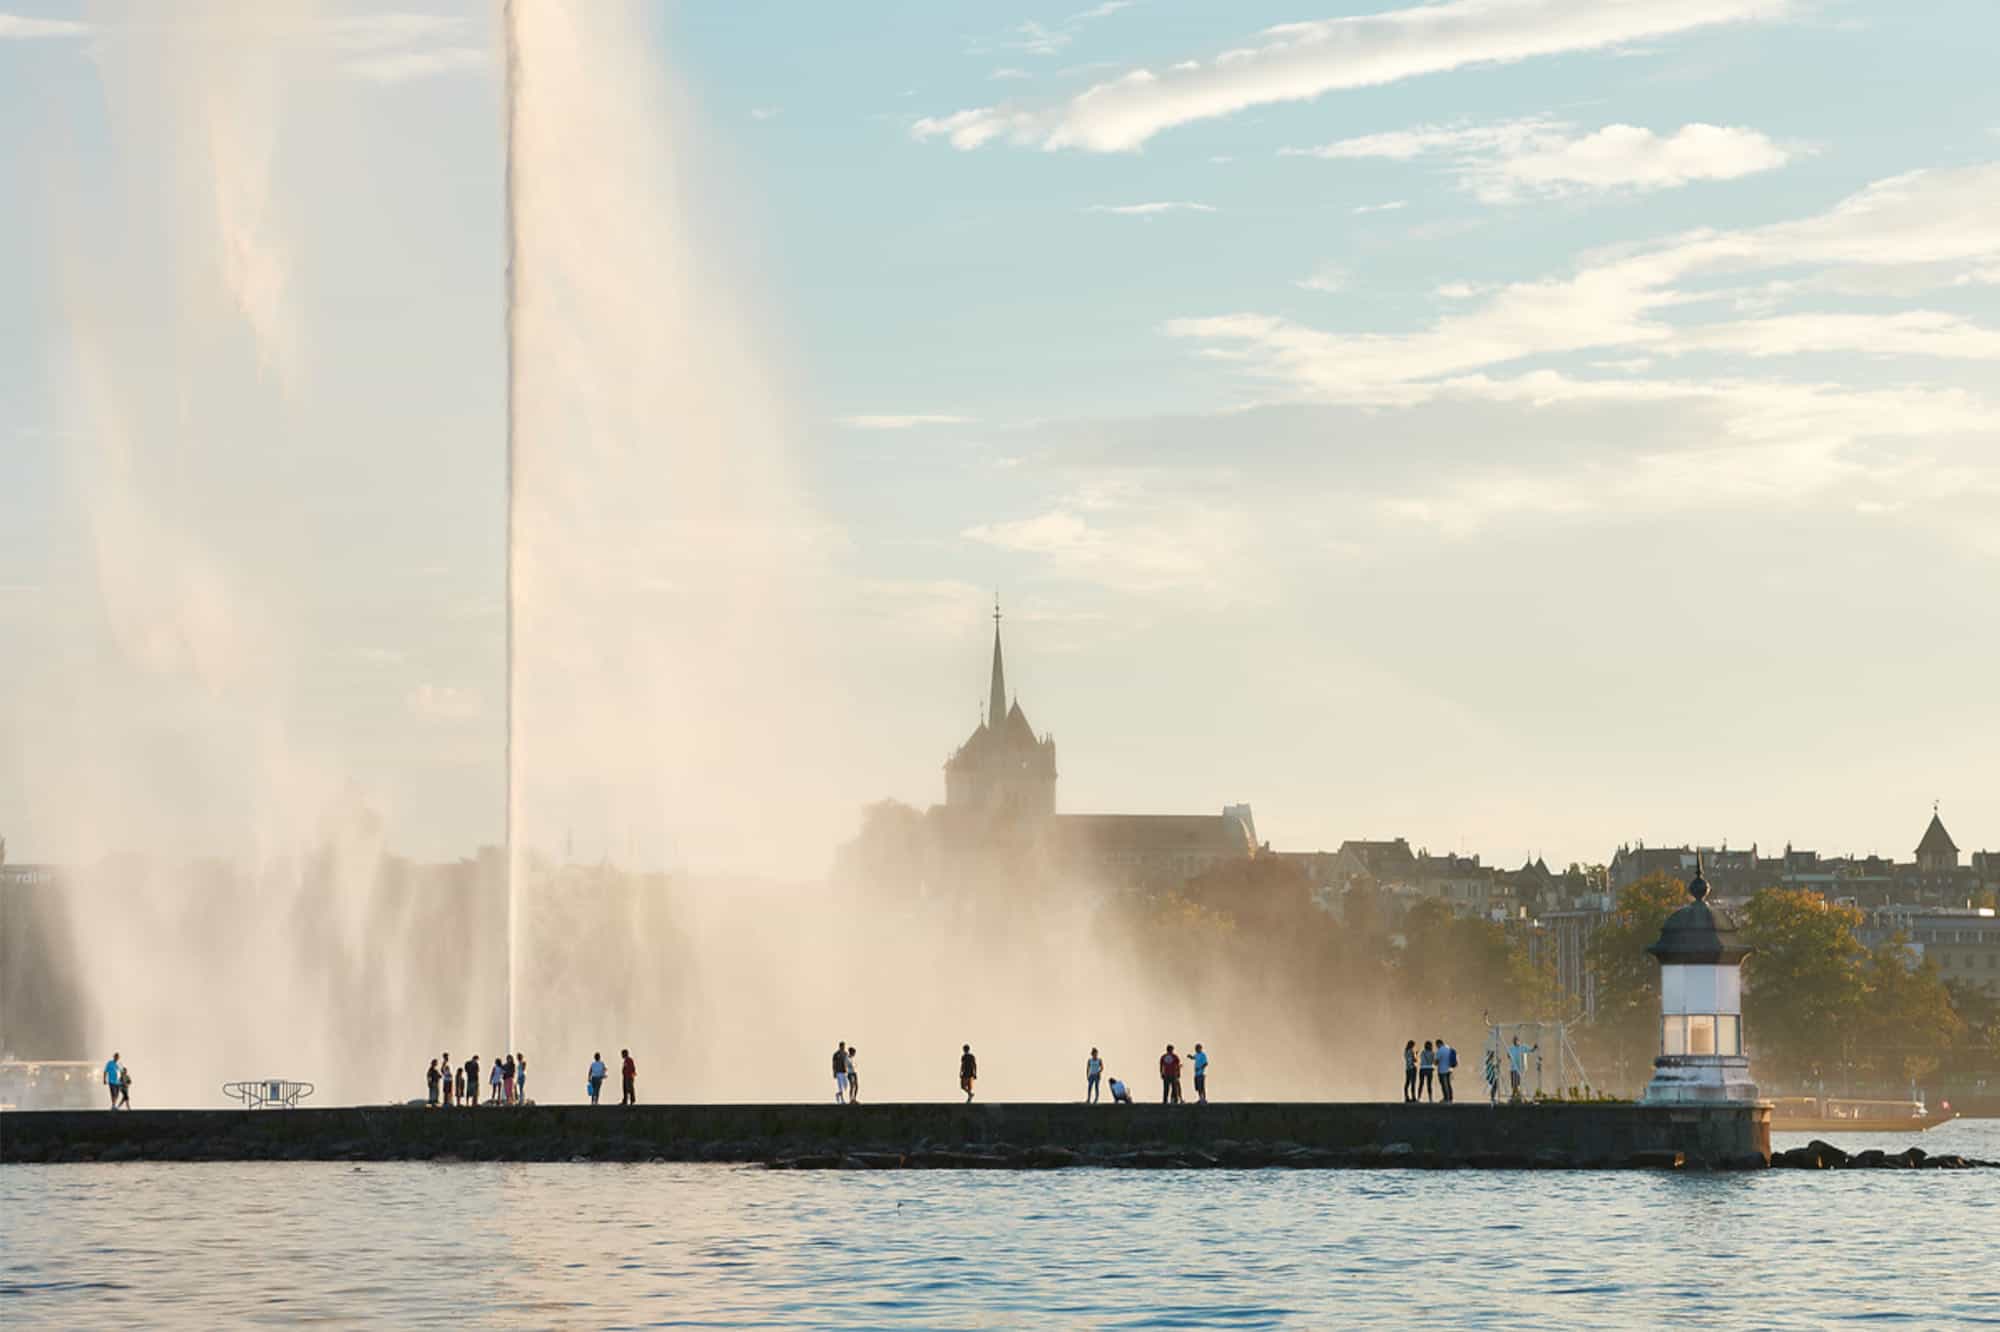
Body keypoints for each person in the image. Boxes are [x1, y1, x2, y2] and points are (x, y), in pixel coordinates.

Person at [1508, 1032, 1538, 1103]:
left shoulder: (1522, 1047)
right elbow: (1508, 1055)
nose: (1515, 1041)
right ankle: (1516, 1096)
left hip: (1519, 1068)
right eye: (1514, 1040)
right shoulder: (1511, 1048)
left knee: (1516, 1083)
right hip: (1512, 1068)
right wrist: (1509, 1056)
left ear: (1518, 1040)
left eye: (1516, 1040)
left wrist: (1534, 1047)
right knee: (1514, 1084)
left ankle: (1515, 1097)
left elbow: (1530, 1050)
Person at [1436, 1036, 1455, 1104]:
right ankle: (1450, 1098)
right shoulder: (1449, 1049)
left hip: (1442, 1070)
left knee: (1444, 1085)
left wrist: (1435, 1062)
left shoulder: (1440, 1050)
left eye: (1437, 1045)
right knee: (1449, 1084)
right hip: (1449, 1070)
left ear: (1438, 1044)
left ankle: (1446, 1099)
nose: (1436, 1046)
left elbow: (1436, 1061)